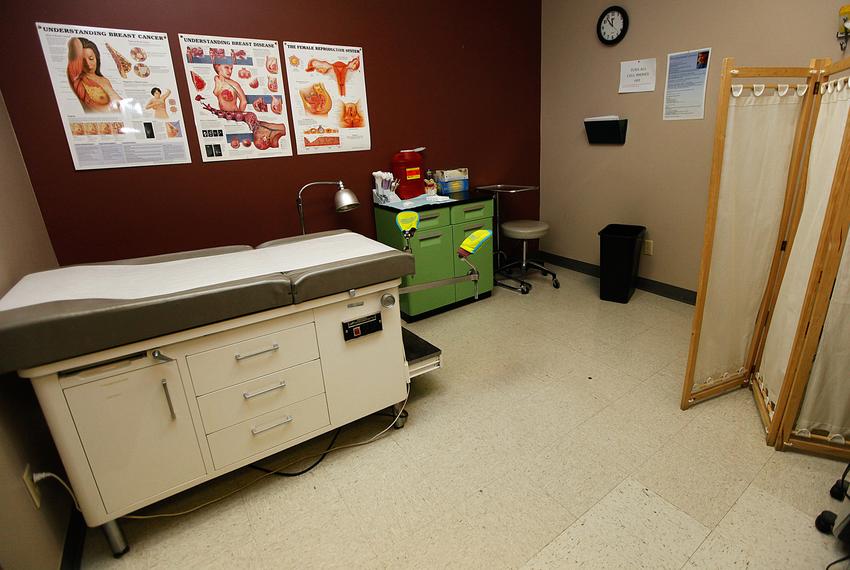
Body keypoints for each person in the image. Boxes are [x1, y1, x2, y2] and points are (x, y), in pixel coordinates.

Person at [66, 37, 122, 112]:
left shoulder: (105, 80)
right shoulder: (77, 80)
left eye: (91, 58)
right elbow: (74, 42)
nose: (88, 65)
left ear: (97, 58)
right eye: (82, 61)